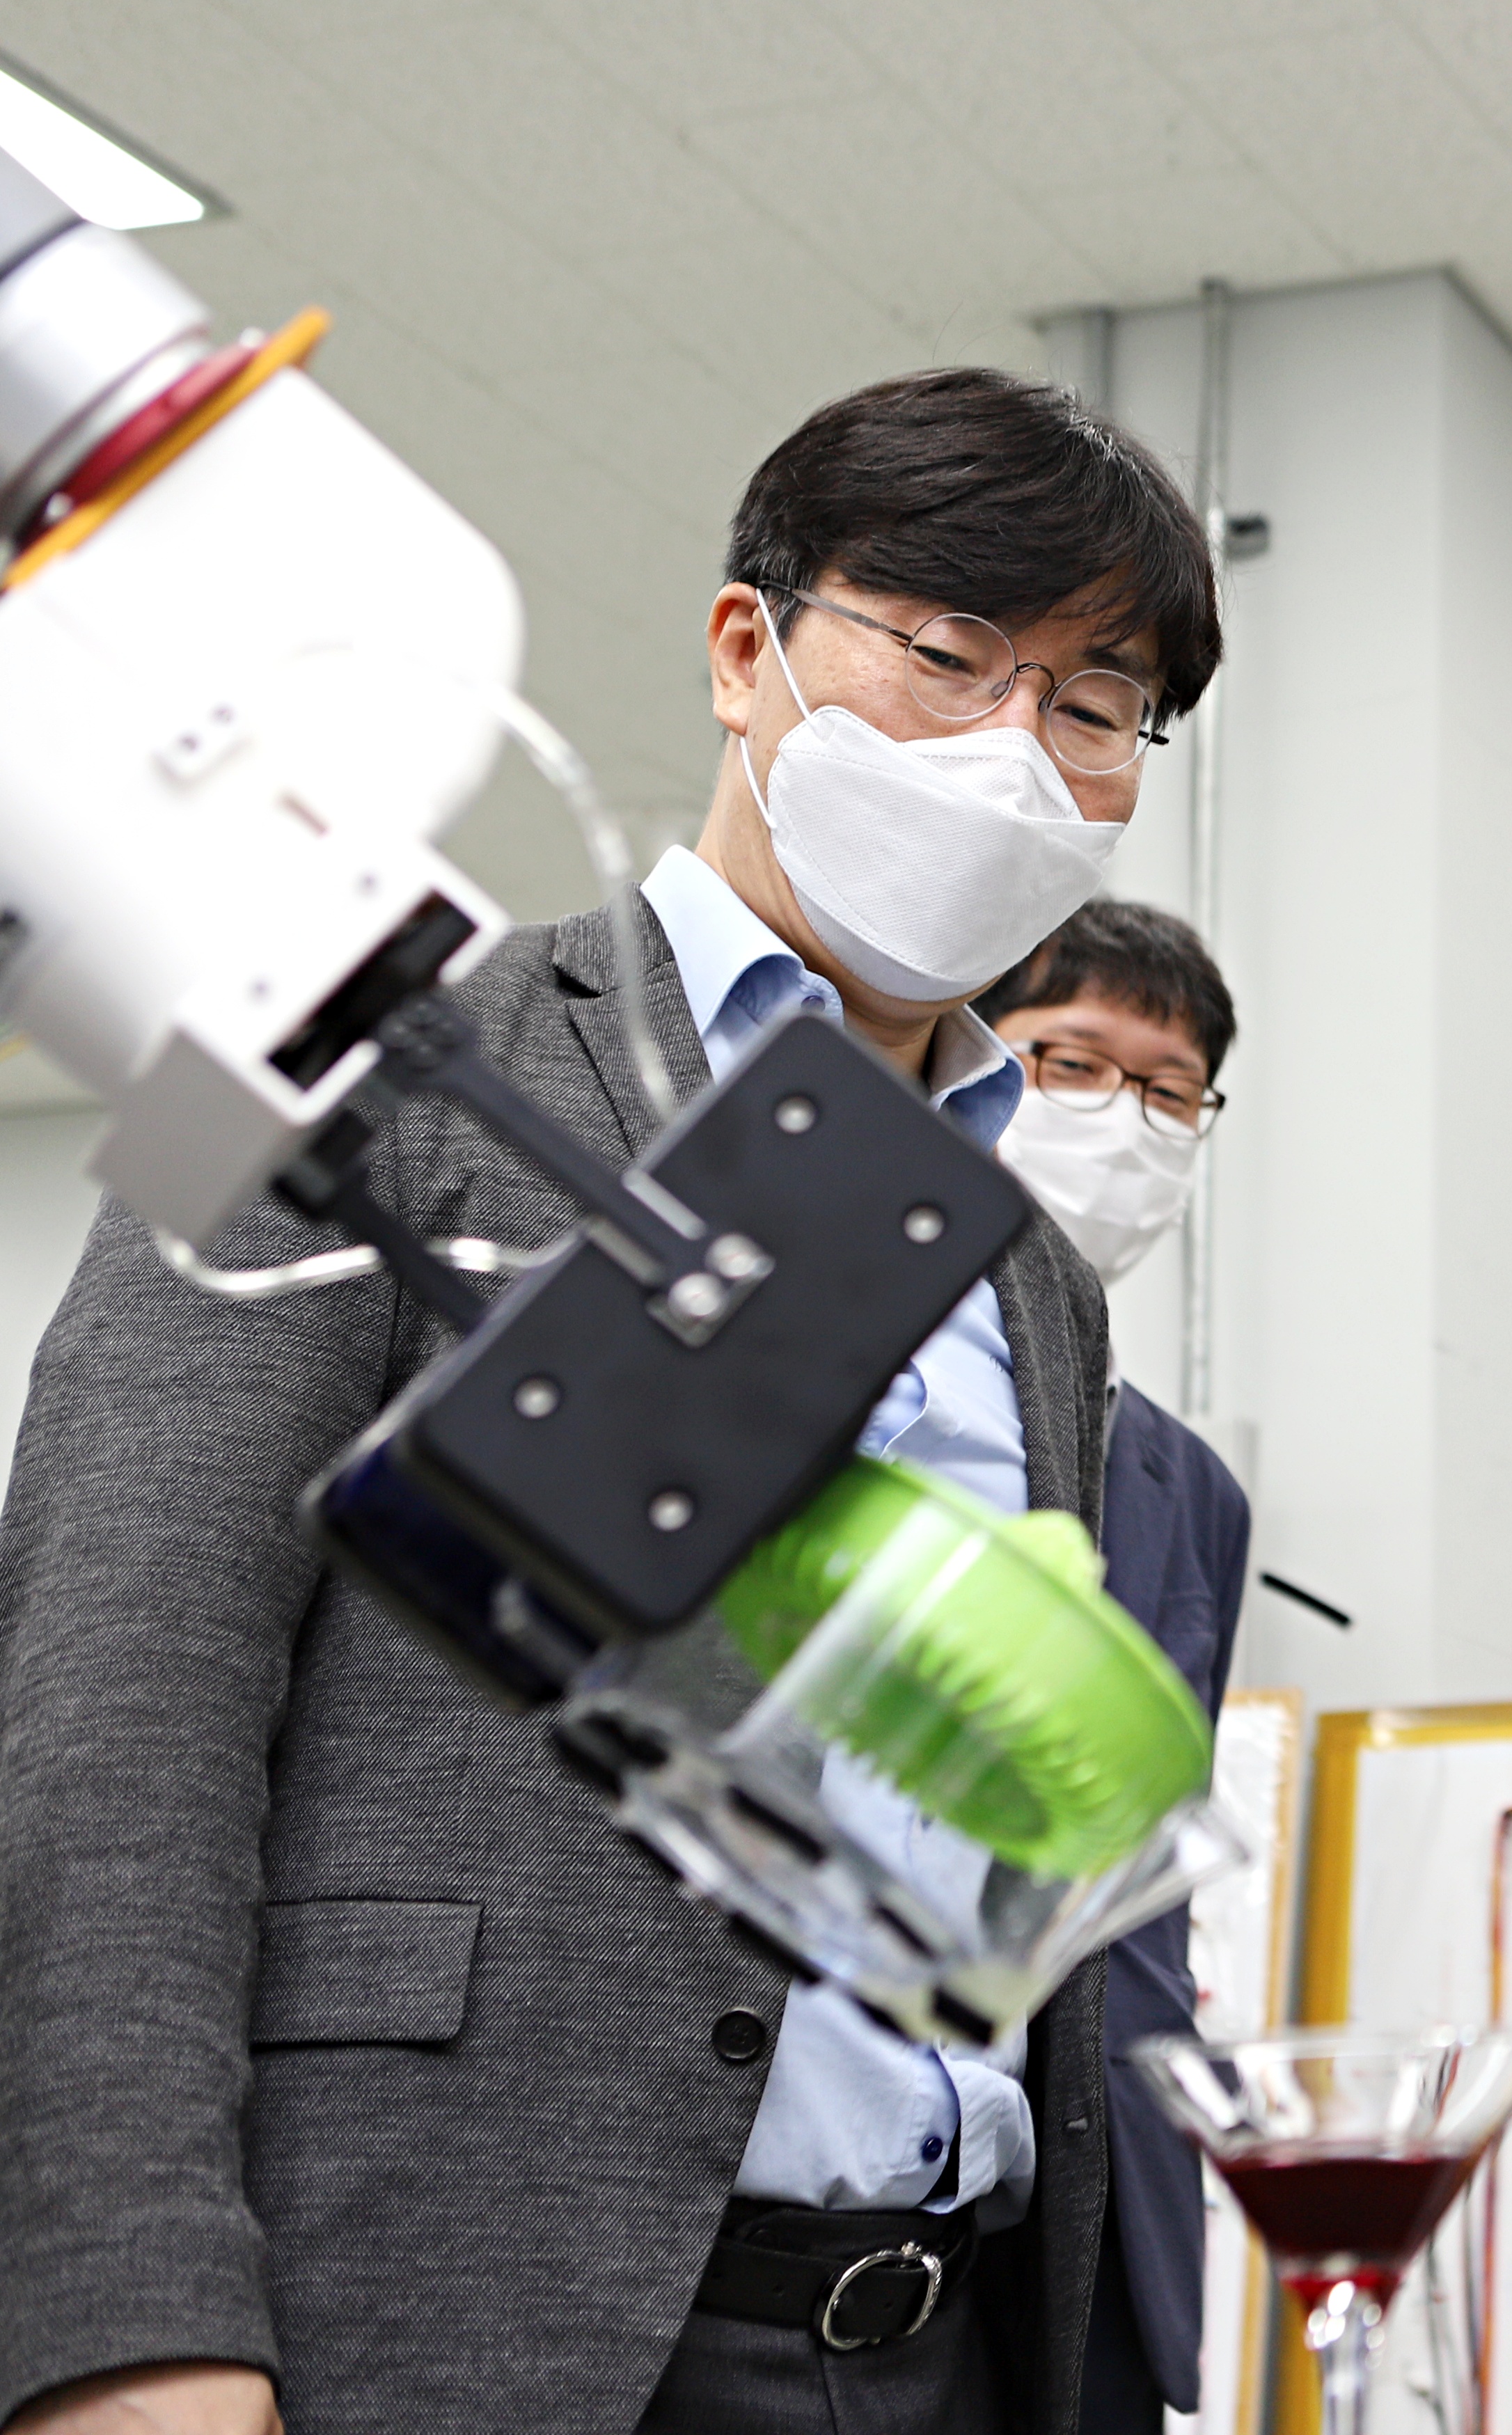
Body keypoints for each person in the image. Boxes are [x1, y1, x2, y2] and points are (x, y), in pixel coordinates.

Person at [0, 368, 1220, 2435]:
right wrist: (122, 2332)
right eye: (948, 659)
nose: (1016, 754)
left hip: (950, 2337)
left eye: (1092, 710)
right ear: (749, 651)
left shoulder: (1026, 1263)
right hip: (471, 2311)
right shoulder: (341, 1036)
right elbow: (104, 1709)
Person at [975, 900, 1256, 2435]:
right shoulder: (834, 1385)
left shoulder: (1188, 1492)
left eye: (1168, 1092)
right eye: (1069, 1062)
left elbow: (1150, 1856)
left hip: (1106, 2167)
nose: (1122, 1124)